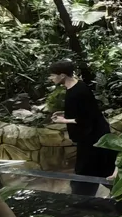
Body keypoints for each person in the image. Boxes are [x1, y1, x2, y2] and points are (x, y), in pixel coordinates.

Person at [49, 59, 115, 195]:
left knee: (86, 173)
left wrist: (64, 120)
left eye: (53, 75)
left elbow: (85, 119)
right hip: (93, 137)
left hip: (93, 138)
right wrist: (65, 114)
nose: (51, 78)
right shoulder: (76, 87)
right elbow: (85, 110)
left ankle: (81, 201)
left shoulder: (77, 92)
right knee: (102, 169)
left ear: (62, 76)